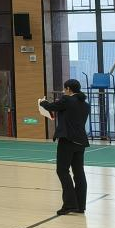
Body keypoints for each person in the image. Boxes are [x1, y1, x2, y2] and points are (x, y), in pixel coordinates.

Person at [42, 79, 90, 215]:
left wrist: (42, 102)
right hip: (80, 141)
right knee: (79, 173)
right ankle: (80, 205)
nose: (64, 91)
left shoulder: (67, 100)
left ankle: (70, 204)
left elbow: (51, 106)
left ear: (68, 89)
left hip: (67, 140)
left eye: (65, 89)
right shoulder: (86, 105)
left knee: (62, 171)